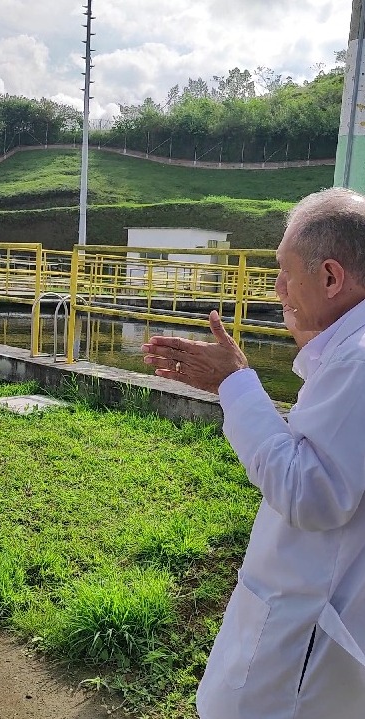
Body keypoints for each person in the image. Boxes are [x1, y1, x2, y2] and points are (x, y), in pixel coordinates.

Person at [142, 187, 365, 719]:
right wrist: (232, 386)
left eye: (285, 272)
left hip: (299, 645)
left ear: (331, 278)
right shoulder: (346, 355)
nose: (277, 289)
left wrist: (238, 383)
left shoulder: (357, 362)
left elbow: (310, 490)